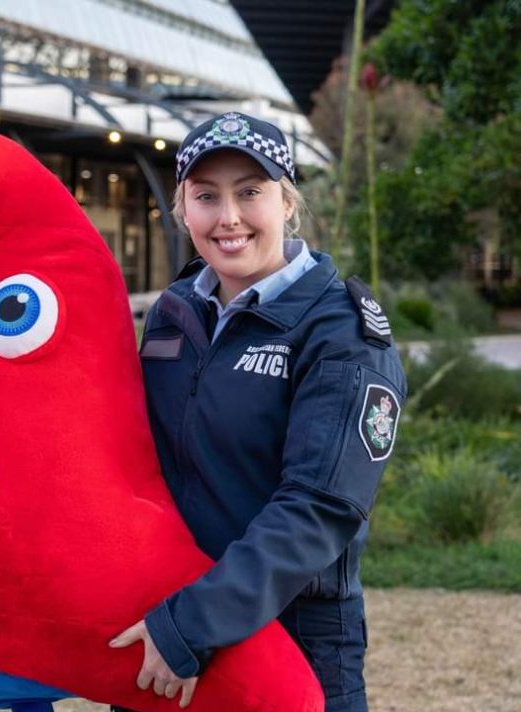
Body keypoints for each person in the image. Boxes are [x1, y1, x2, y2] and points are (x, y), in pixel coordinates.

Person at [111, 112, 406, 711]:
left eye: (250, 191)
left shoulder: (340, 330)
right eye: (206, 196)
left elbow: (318, 510)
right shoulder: (174, 311)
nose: (229, 217)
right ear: (182, 210)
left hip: (290, 634)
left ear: (288, 203)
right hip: (169, 628)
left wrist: (192, 626)